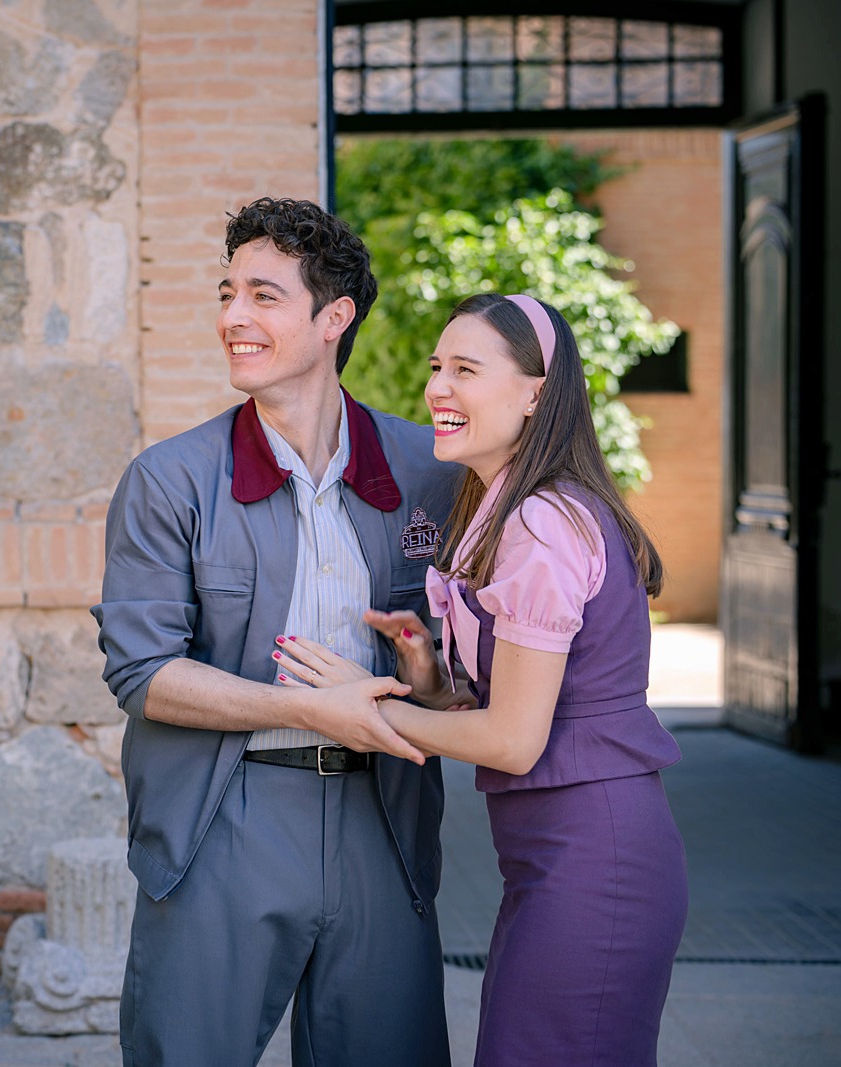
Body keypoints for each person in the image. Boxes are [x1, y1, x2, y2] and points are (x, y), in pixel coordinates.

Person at [90, 196, 457, 1066]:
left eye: (262, 295)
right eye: (227, 293)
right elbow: (142, 671)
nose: (232, 318)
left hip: (384, 819)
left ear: (335, 318)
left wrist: (430, 674)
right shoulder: (169, 479)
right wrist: (312, 709)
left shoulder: (429, 473)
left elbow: (464, 669)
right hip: (226, 818)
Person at [278, 293, 689, 1065]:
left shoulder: (540, 523)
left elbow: (512, 738)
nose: (439, 387)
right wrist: (431, 680)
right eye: (437, 367)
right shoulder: (513, 509)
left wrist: (365, 712)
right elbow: (516, 708)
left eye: (466, 369)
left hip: (592, 858)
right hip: (564, 856)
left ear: (537, 391)